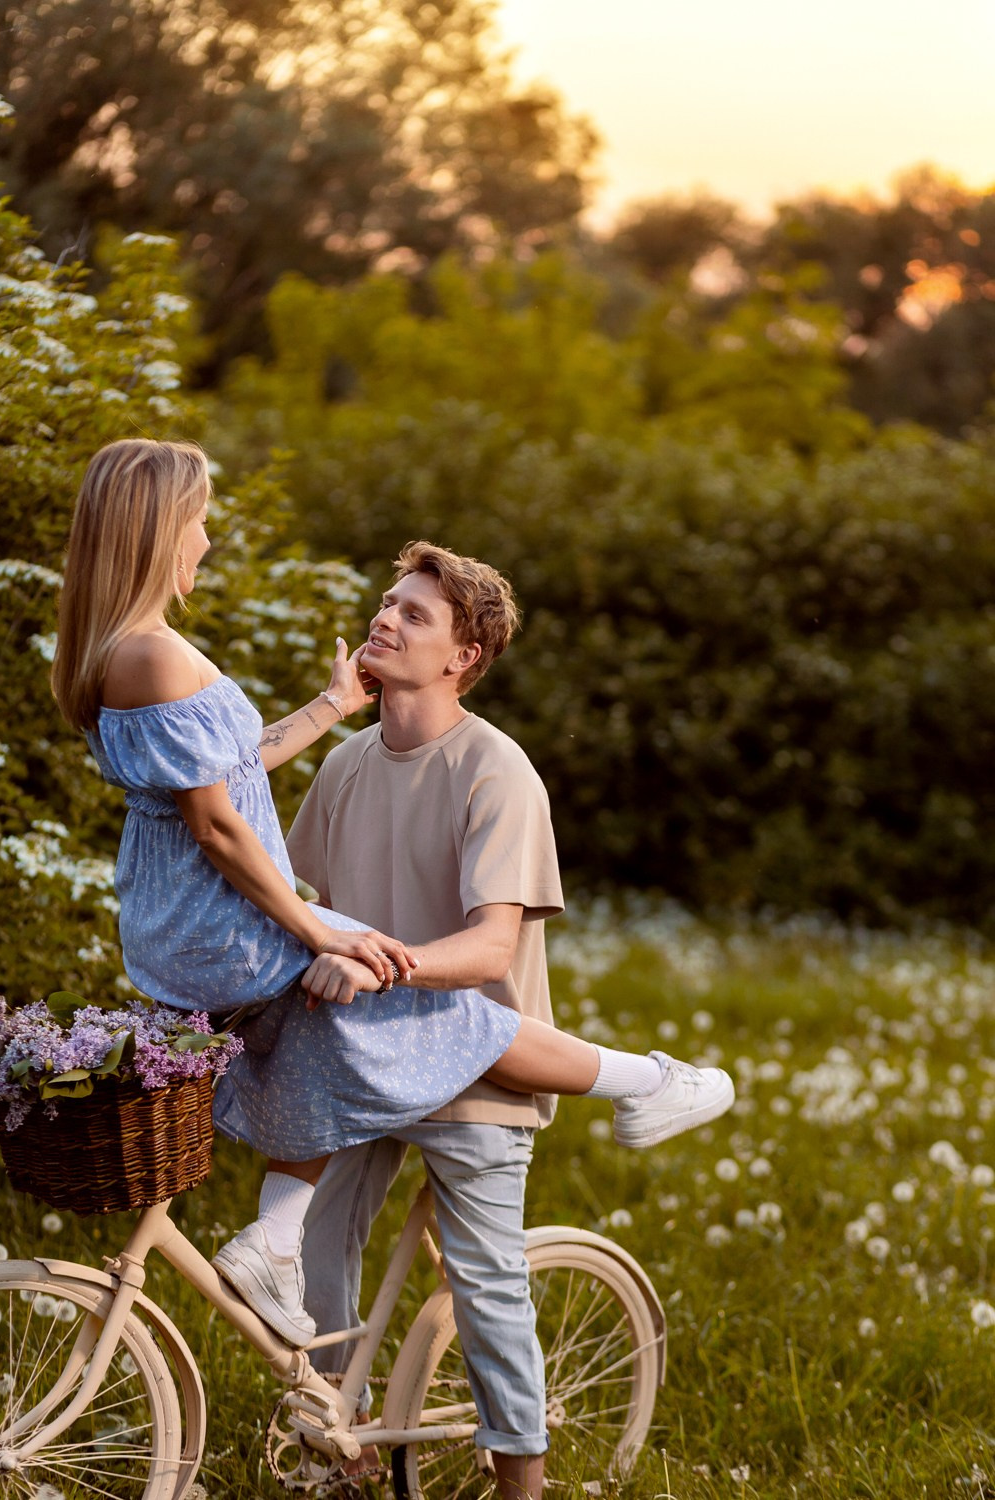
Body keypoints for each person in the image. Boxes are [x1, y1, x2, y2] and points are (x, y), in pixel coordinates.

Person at [50, 440, 733, 1422]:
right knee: (454, 1018)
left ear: (464, 656)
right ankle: (646, 1081)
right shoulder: (167, 657)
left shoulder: (121, 653)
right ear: (159, 530)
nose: (206, 533)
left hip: (182, 935)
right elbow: (221, 821)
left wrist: (328, 709)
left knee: (374, 1027)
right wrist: (314, 934)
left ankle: (283, 1251)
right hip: (238, 938)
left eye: (411, 611)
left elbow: (228, 775)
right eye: (197, 517)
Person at [285, 540, 733, 1500]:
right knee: (314, 1245)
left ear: (464, 657)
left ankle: (522, 1487)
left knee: (490, 1294)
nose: (386, 618)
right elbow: (299, 901)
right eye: (388, 602)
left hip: (480, 1072)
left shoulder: (497, 771)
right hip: (369, 1066)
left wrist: (372, 965)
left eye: (415, 614)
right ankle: (339, 1446)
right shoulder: (349, 765)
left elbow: (491, 952)